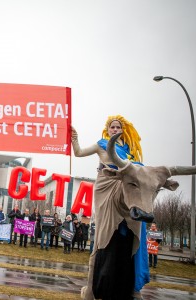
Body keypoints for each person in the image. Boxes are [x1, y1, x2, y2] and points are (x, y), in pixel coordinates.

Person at [72, 115, 148, 299]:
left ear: (123, 130)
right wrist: (75, 140)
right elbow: (79, 152)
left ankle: (132, 288)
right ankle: (92, 288)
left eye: (118, 127)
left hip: (124, 191)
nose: (115, 129)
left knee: (133, 229)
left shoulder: (129, 151)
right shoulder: (102, 144)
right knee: (102, 236)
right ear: (108, 129)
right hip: (106, 188)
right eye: (112, 127)